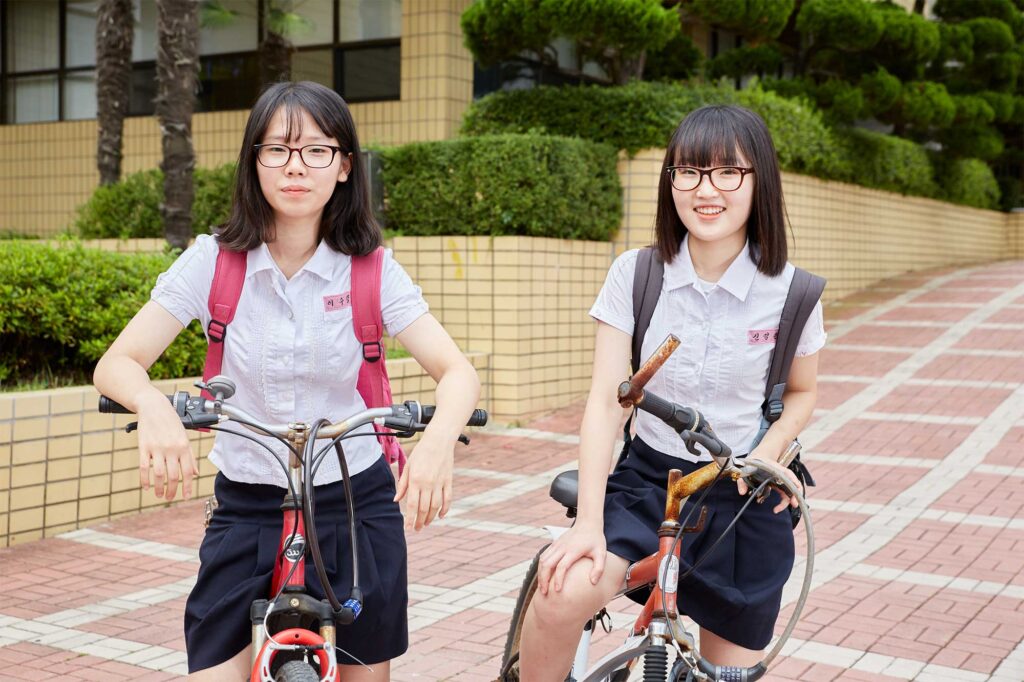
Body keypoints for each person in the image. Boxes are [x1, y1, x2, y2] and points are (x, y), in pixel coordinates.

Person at [93, 81, 481, 681]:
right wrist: (153, 406)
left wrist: (435, 446)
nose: (295, 167)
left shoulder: (372, 269)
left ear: (344, 166)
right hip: (247, 497)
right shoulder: (213, 261)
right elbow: (116, 364)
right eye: (277, 150)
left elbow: (457, 372)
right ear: (254, 162)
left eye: (317, 151)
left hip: (354, 499)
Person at [518, 104, 826, 680]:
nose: (706, 190)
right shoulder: (636, 275)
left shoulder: (794, 293)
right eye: (689, 171)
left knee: (723, 673)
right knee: (559, 592)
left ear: (759, 180)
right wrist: (588, 523)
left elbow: (803, 393)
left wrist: (772, 449)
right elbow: (605, 404)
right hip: (649, 483)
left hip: (744, 494)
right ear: (672, 181)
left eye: (727, 172)